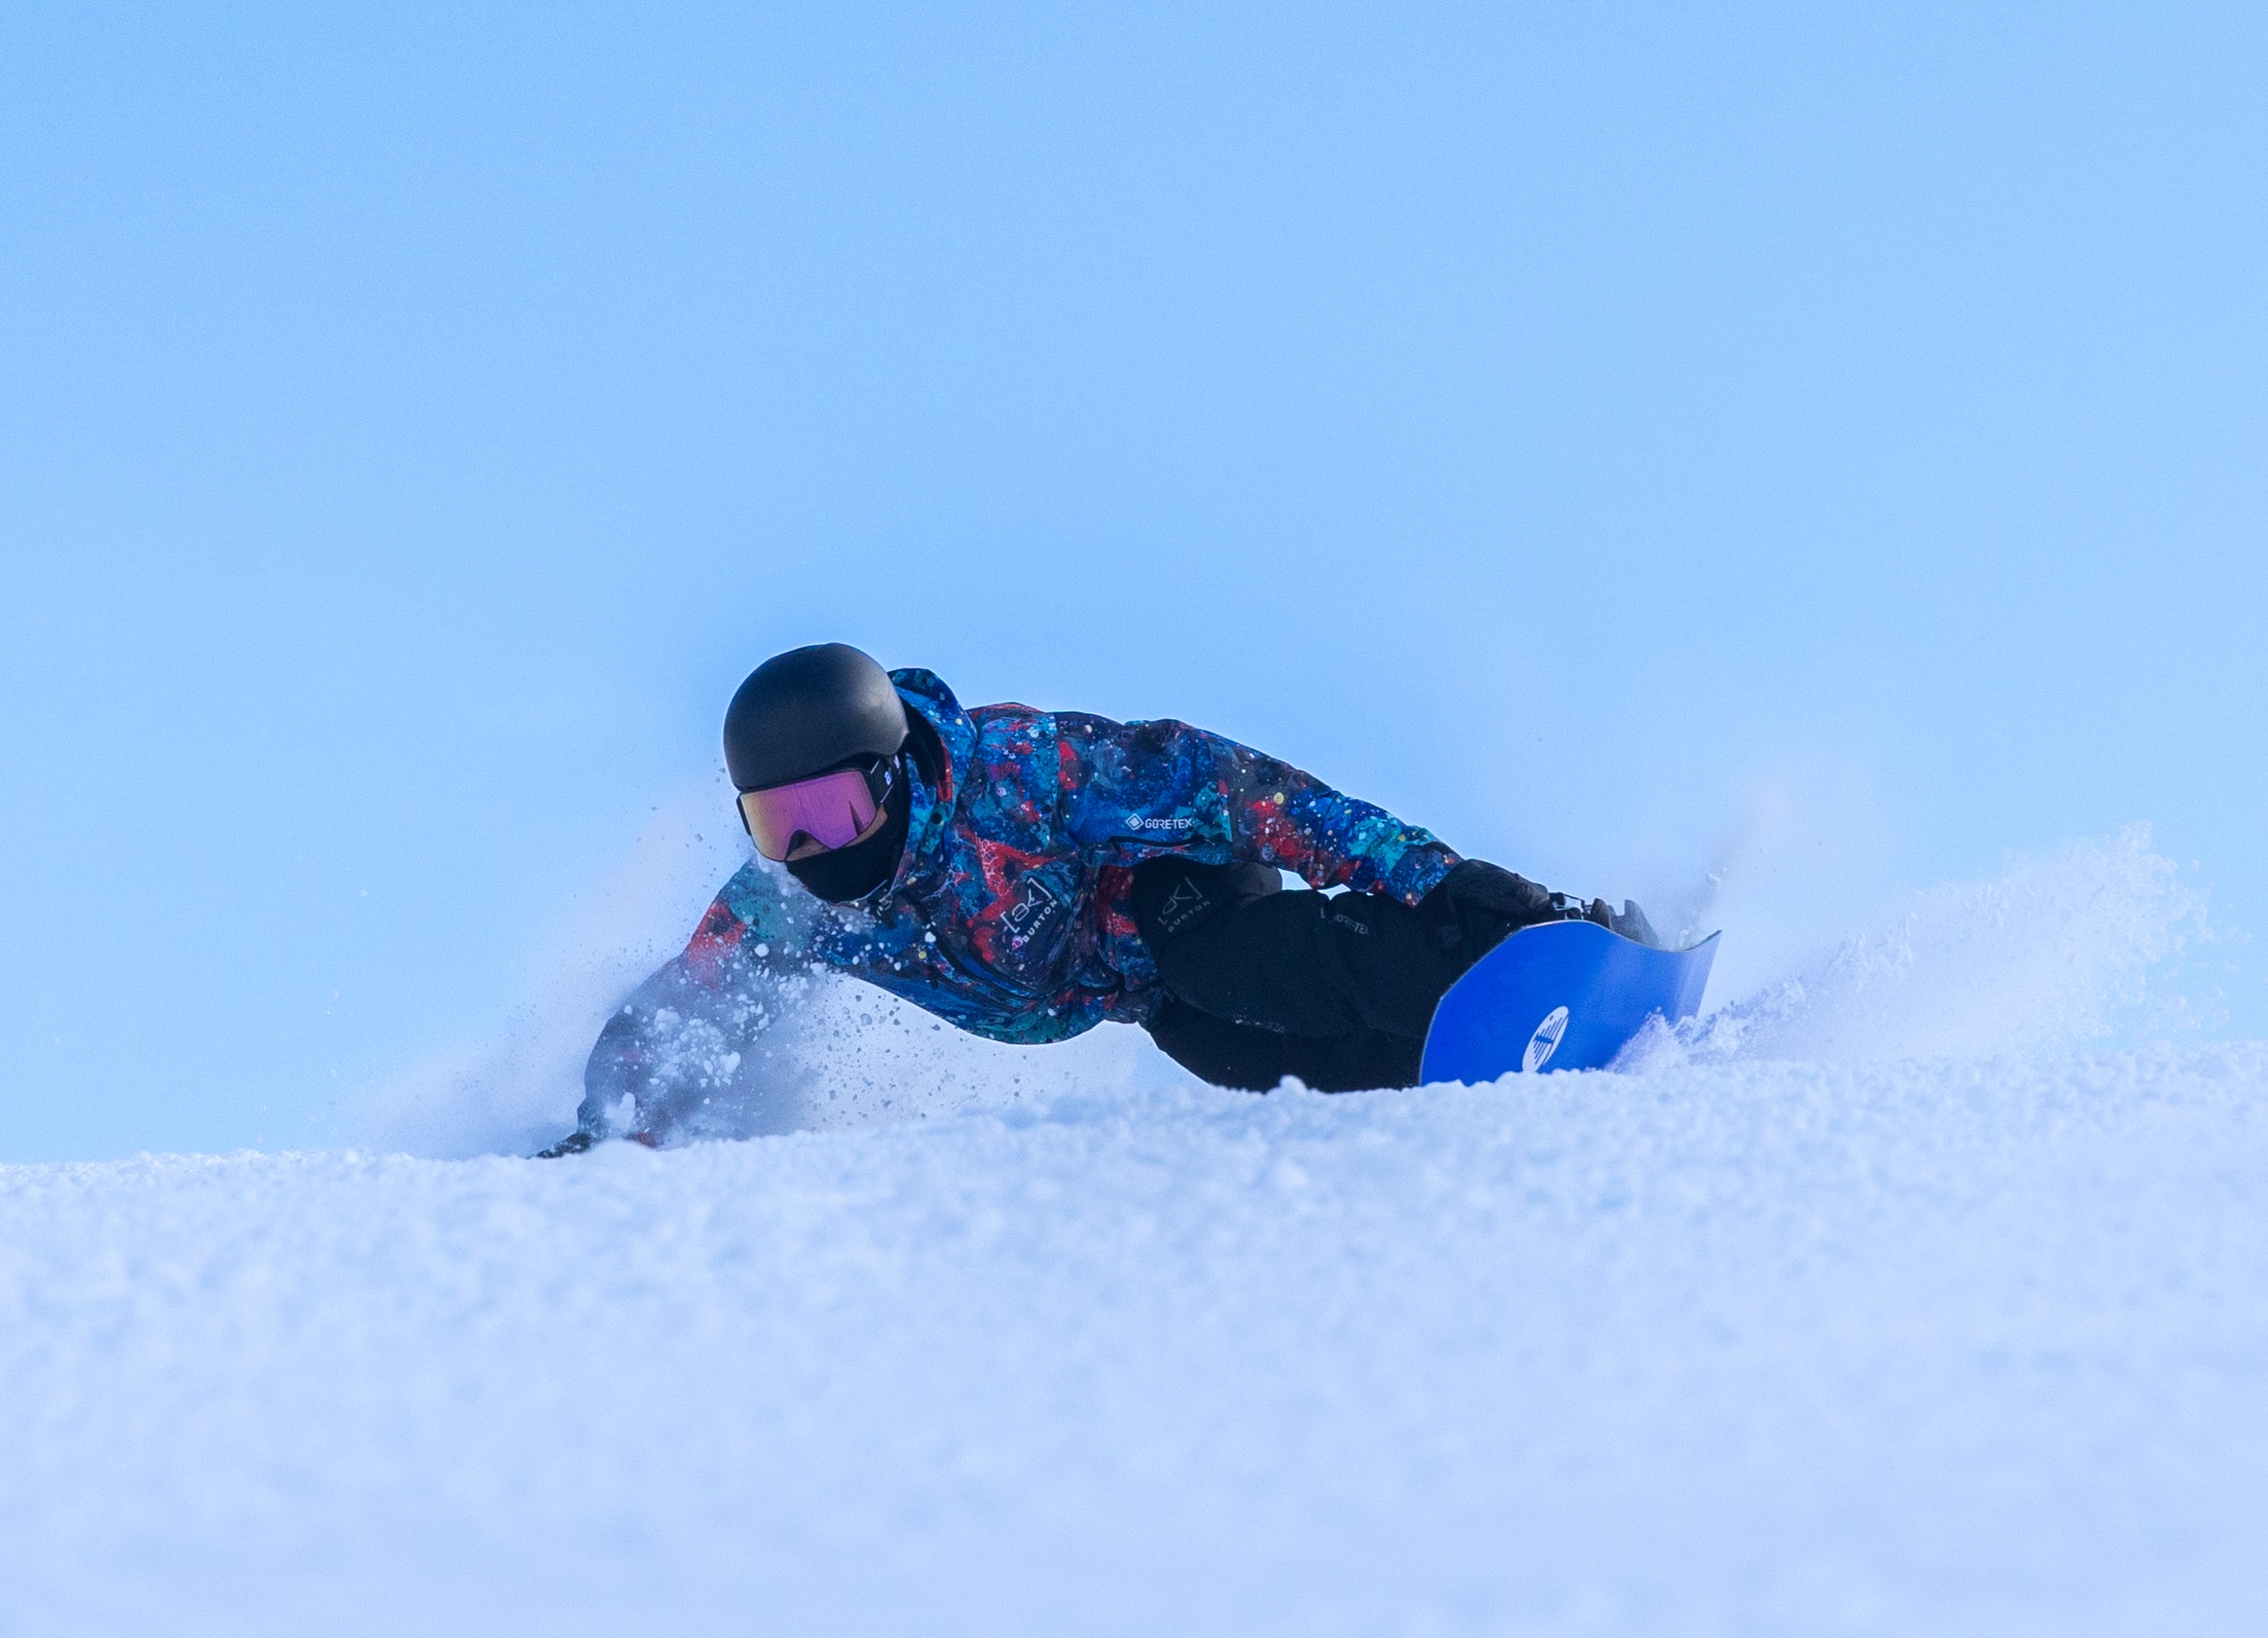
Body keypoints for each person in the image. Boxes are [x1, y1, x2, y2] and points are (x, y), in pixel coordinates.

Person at [537, 644, 1651, 1155]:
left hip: (1175, 896)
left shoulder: (1016, 775)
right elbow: (685, 1002)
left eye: (831, 809)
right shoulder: (796, 902)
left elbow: (1239, 792)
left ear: (891, 772)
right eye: (779, 826)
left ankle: (1513, 950)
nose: (814, 849)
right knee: (1233, 1053)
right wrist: (613, 1132)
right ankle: (1466, 1074)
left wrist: (1437, 876)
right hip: (1137, 994)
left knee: (1223, 964)